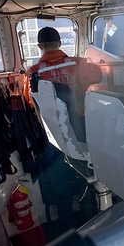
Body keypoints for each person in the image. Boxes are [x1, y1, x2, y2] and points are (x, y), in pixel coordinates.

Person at [28, 26, 102, 229]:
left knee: (59, 182)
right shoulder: (77, 63)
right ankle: (95, 218)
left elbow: (30, 102)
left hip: (52, 135)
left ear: (40, 47)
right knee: (90, 176)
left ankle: (67, 228)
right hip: (81, 131)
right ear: (60, 44)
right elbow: (98, 77)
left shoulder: (33, 72)